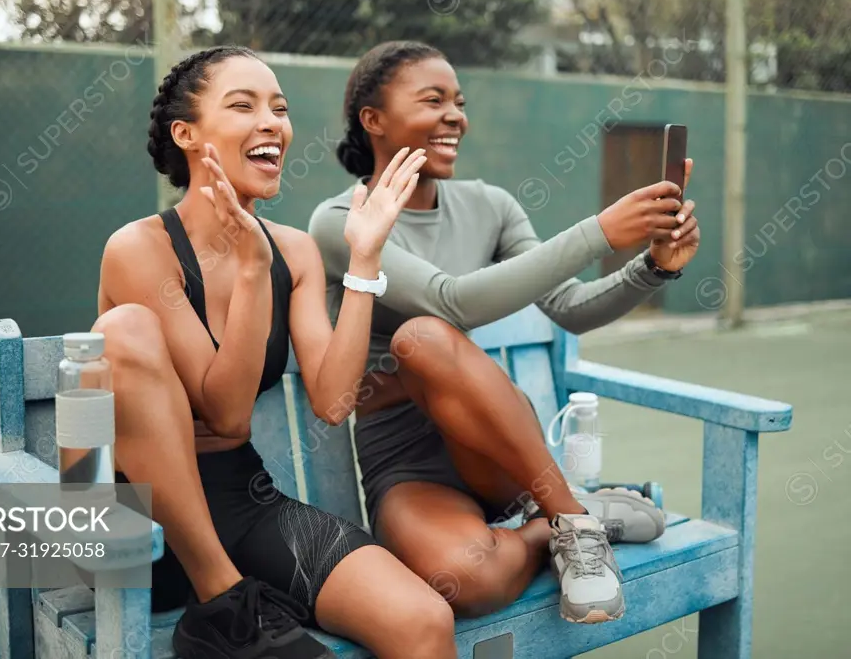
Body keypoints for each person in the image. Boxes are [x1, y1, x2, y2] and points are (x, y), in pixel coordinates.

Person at [307, 40, 702, 625]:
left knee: (420, 337)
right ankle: (562, 523)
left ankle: (571, 521)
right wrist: (599, 231)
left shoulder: (490, 205)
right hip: (408, 462)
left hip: (499, 452)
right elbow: (453, 301)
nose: (455, 117)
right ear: (374, 120)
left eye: (459, 103)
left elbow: (570, 308)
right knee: (467, 583)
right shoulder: (341, 221)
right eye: (433, 100)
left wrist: (654, 266)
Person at [93, 45, 458, 659]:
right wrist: (251, 275)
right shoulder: (140, 250)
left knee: (423, 621)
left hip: (240, 499)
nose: (272, 123)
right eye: (244, 106)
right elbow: (226, 411)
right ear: (186, 134)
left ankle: (231, 603)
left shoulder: (293, 251)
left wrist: (365, 261)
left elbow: (335, 400)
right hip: (136, 525)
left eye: (280, 109)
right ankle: (225, 602)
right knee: (124, 327)